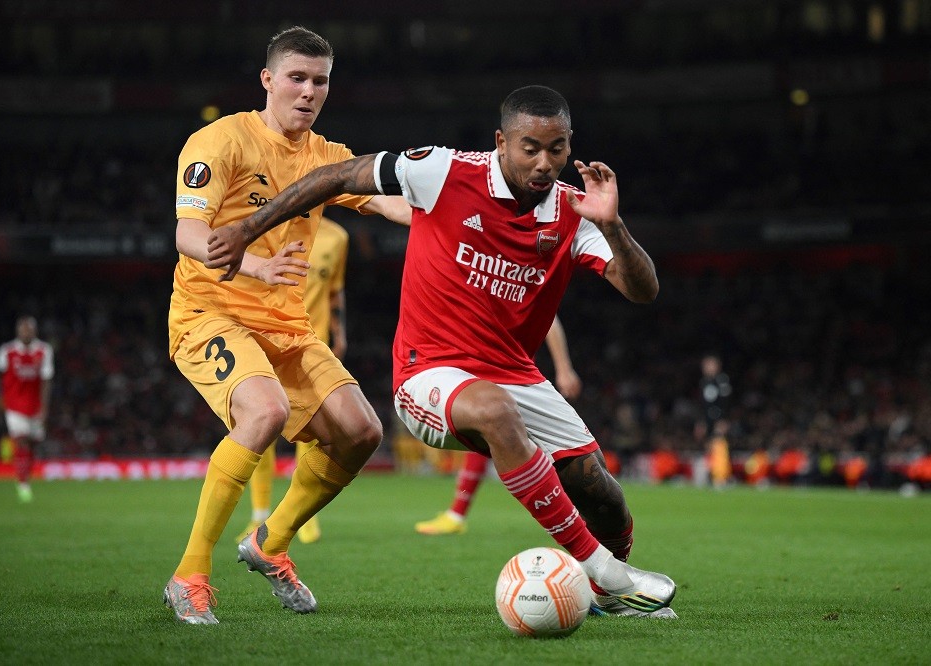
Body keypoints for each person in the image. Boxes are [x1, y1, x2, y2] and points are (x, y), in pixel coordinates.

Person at [206, 85, 677, 618]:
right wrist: (247, 228)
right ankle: (603, 570)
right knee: (494, 410)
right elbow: (336, 176)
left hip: (515, 374)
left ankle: (607, 596)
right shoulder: (444, 172)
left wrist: (613, 225)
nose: (545, 163)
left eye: (558, 148)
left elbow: (643, 290)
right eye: (530, 148)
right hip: (428, 372)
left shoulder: (575, 212)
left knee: (602, 493)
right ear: (502, 142)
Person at [163, 26, 410, 625]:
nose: (308, 91)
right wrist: (254, 262)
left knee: (360, 432)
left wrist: (464, 215)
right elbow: (188, 234)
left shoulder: (326, 156)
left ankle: (270, 542)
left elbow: (389, 203)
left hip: (287, 327)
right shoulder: (220, 141)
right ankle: (189, 574)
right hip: (209, 313)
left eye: (319, 81)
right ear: (268, 79)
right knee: (265, 412)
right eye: (296, 78)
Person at [237, 215, 350, 545]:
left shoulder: (338, 237)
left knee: (313, 429)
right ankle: (259, 513)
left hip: (312, 343)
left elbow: (335, 290)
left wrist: (340, 333)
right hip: (267, 337)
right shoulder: (270, 226)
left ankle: (302, 515)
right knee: (262, 422)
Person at [415, 315, 581, 535]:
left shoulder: (522, 285)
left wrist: (564, 368)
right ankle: (457, 513)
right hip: (487, 362)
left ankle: (576, 519)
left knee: (544, 448)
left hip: (510, 370)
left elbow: (550, 320)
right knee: (486, 431)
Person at [0, 316, 54, 503]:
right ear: (18, 331)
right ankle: (23, 484)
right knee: (22, 441)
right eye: (22, 329)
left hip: (35, 406)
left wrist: (44, 407)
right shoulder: (7, 350)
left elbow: (47, 380)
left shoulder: (44, 350)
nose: (25, 332)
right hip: (14, 404)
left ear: (35, 331)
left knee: (33, 443)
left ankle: (25, 475)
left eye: (29, 329)